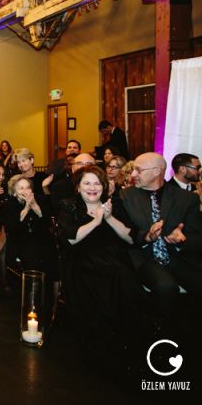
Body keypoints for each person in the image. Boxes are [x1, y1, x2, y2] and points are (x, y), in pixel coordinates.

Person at [56, 166, 146, 373]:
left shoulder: (114, 206)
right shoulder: (68, 206)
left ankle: (128, 344)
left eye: (97, 183)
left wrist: (108, 218)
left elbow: (131, 238)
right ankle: (103, 348)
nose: (92, 188)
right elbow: (70, 238)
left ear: (104, 187)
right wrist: (95, 221)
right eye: (87, 183)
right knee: (108, 280)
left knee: (121, 277)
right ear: (78, 187)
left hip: (112, 260)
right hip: (82, 262)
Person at [119, 153, 202, 321]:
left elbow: (197, 238)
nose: (133, 174)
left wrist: (181, 240)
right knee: (166, 286)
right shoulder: (126, 196)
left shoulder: (186, 199)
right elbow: (123, 233)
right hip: (144, 258)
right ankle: (160, 336)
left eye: (138, 170)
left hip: (178, 257)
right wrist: (146, 236)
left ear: (157, 171)